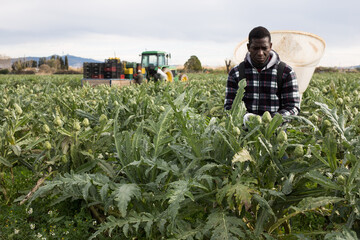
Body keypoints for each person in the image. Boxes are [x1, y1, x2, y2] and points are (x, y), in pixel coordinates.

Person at [224, 26, 300, 117]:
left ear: (270, 46)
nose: (260, 53)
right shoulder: (236, 73)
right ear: (248, 47)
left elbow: (293, 107)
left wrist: (273, 121)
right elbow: (229, 106)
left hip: (275, 130)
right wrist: (246, 118)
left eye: (264, 48)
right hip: (243, 130)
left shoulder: (286, 72)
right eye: (255, 48)